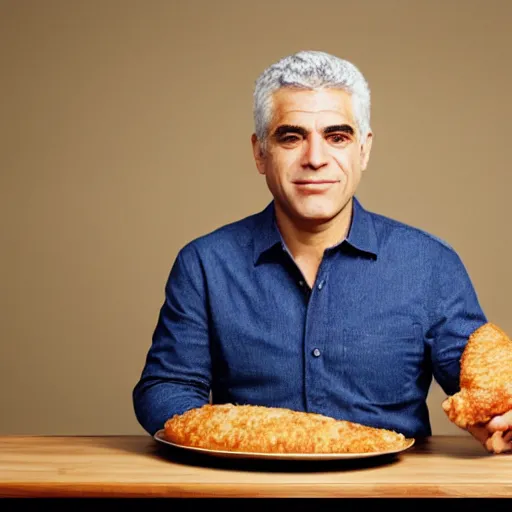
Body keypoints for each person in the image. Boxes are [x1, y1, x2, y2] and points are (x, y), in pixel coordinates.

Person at [133, 50, 511, 453]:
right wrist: (231, 437)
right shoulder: (205, 265)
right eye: (291, 137)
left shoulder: (430, 264)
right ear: (260, 152)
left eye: (337, 137)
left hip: (392, 494)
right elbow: (166, 388)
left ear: (363, 149)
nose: (315, 159)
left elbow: (482, 388)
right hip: (247, 488)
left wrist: (497, 417)